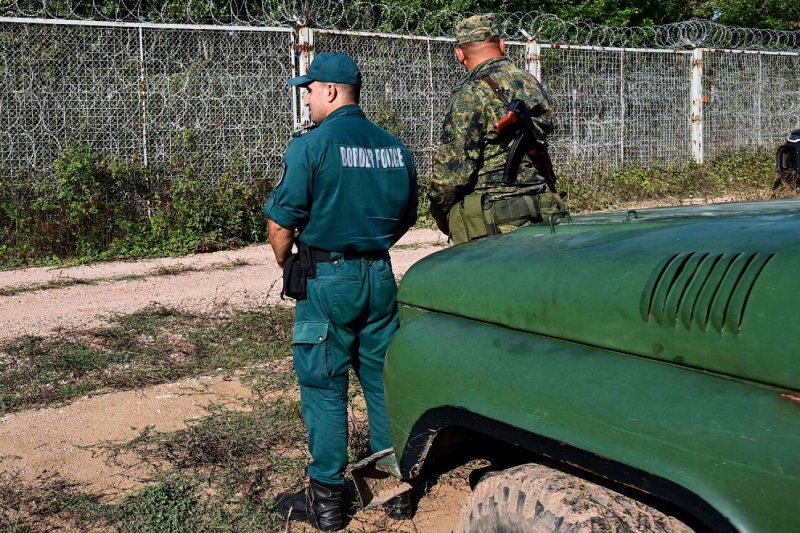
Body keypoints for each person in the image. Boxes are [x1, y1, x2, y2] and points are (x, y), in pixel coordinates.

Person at [263, 52, 418, 531]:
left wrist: (289, 263)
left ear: (330, 91)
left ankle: (327, 500)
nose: (306, 99)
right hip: (380, 276)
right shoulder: (394, 147)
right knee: (380, 380)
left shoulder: (311, 146)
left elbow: (280, 223)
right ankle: (394, 487)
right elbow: (407, 215)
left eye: (308, 90)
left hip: (328, 279)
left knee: (324, 385)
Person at [429, 14, 564, 244]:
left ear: (459, 54)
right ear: (502, 45)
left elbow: (453, 171)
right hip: (543, 208)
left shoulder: (470, 94)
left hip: (495, 222)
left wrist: (440, 213)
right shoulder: (532, 84)